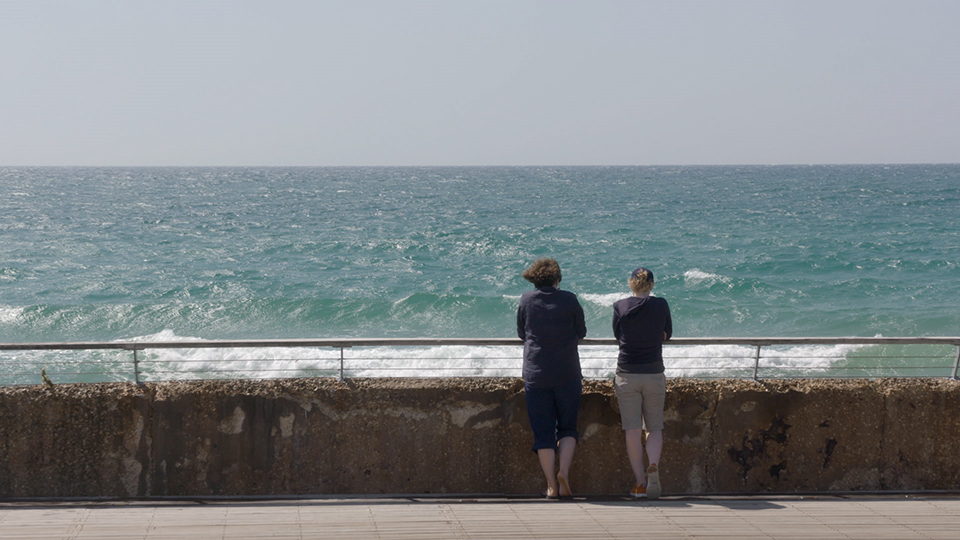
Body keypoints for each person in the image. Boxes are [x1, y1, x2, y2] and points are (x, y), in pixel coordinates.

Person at [516, 258, 587, 500]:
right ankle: (563, 472)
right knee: (567, 427)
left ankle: (550, 486)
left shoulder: (526, 299)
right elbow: (581, 332)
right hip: (567, 372)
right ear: (557, 279)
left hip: (536, 374)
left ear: (535, 280)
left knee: (543, 433)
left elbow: (521, 332)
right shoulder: (569, 299)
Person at [612, 267, 672, 499]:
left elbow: (618, 335)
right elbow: (668, 332)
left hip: (627, 373)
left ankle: (640, 484)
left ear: (631, 283)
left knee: (632, 430)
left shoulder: (620, 306)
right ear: (652, 285)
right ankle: (653, 465)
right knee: (654, 427)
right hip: (654, 372)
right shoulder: (661, 305)